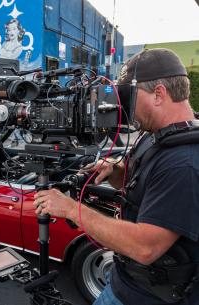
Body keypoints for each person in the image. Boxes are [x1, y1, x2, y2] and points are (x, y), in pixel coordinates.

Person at [33, 49, 199, 304]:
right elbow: (145, 188)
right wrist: (116, 170)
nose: (123, 107)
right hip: (123, 282)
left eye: (128, 97)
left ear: (159, 95)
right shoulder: (155, 136)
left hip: (147, 297)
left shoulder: (183, 163)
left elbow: (146, 248)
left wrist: (70, 209)